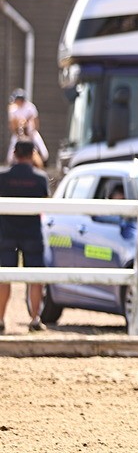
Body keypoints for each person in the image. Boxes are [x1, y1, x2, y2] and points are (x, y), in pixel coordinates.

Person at [0, 140, 50, 332]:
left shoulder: (3, 176)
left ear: (14, 152)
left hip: (6, 233)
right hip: (32, 233)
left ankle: (1, 319)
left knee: (4, 277)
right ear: (33, 153)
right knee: (35, 276)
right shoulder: (40, 178)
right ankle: (35, 319)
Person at [8, 89, 48, 167]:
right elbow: (12, 125)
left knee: (44, 152)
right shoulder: (13, 109)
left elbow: (35, 121)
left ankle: (44, 165)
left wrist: (32, 132)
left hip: (31, 132)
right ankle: (11, 167)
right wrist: (18, 134)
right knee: (10, 155)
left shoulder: (30, 107)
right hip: (18, 133)